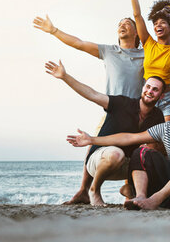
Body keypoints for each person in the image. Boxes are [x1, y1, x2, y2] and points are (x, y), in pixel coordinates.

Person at [33, 15, 144, 205]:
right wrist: (53, 30)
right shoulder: (109, 51)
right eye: (119, 24)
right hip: (111, 109)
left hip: (138, 113)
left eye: (128, 23)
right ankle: (84, 190)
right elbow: (79, 43)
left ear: (137, 32)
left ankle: (129, 193)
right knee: (94, 144)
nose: (122, 25)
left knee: (134, 151)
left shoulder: (145, 54)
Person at [45, 60, 166, 206]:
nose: (150, 91)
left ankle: (131, 190)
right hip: (100, 160)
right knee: (116, 154)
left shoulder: (157, 116)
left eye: (155, 89)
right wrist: (65, 76)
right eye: (148, 87)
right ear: (142, 88)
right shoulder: (122, 103)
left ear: (161, 96)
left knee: (153, 158)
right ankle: (94, 190)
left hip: (125, 165)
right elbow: (92, 94)